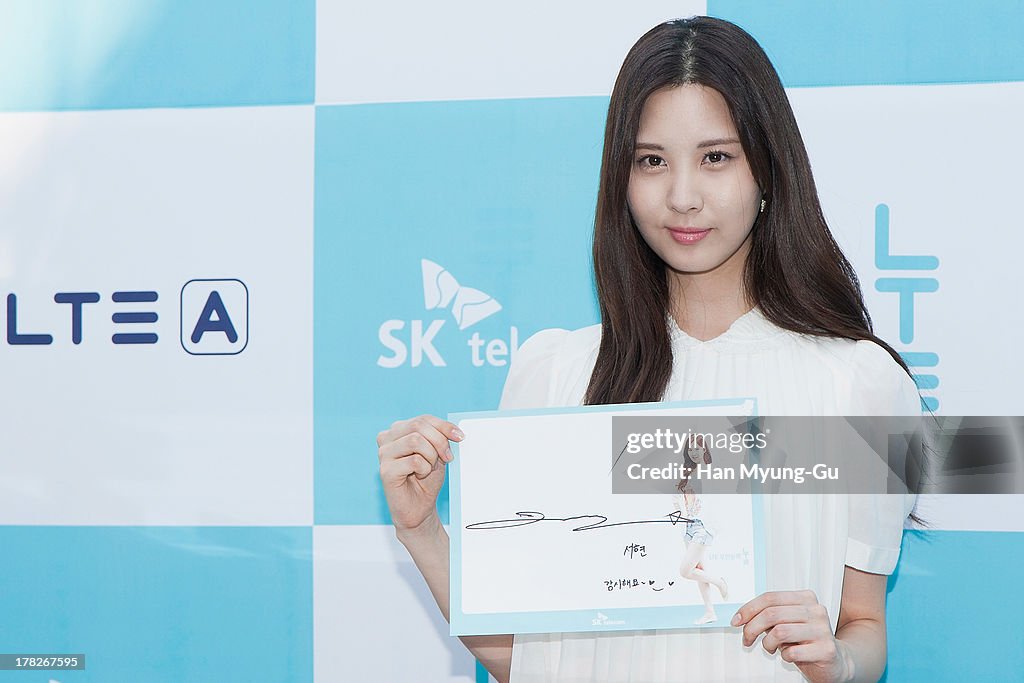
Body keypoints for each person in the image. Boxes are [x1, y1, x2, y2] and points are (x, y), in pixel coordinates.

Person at [376, 15, 920, 683]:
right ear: (621, 178)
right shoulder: (554, 376)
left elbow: (864, 629)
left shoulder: (856, 386)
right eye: (652, 160)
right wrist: (424, 530)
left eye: (716, 157)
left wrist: (835, 657)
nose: (683, 196)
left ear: (767, 170)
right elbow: (531, 660)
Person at [672, 437, 729, 625]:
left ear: (705, 449)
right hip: (687, 526)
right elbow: (679, 499)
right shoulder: (685, 472)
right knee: (698, 570)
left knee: (685, 570)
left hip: (702, 527)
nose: (694, 452)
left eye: (698, 448)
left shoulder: (709, 470)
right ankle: (710, 612)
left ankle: (718, 581)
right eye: (690, 449)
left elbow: (717, 500)